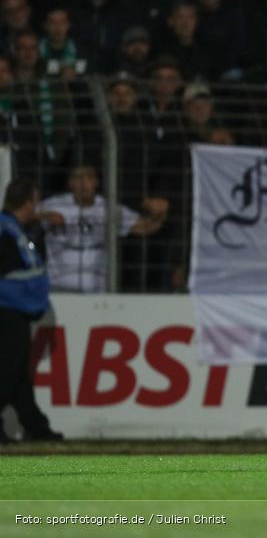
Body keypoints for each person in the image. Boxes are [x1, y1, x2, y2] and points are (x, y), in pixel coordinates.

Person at [0, 178, 62, 443]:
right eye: (35, 202)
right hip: (7, 310)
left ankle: (36, 427)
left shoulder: (12, 228)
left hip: (15, 309)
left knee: (17, 373)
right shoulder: (6, 231)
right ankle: (36, 427)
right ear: (28, 202)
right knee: (8, 372)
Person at [41, 164, 168, 293]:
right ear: (70, 183)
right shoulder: (52, 205)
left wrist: (159, 215)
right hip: (57, 291)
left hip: (96, 294)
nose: (83, 183)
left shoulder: (108, 209)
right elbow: (23, 217)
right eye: (78, 178)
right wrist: (43, 215)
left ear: (96, 182)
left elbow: (144, 227)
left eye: (89, 178)